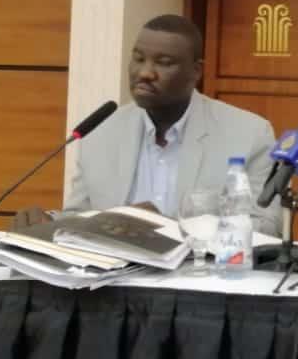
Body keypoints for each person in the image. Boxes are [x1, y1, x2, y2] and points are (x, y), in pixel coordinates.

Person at [15, 15, 280, 235]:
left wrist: (167, 227)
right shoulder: (101, 131)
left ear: (195, 72)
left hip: (199, 275)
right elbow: (82, 216)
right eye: (139, 59)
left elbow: (266, 228)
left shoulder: (249, 134)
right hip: (113, 277)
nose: (145, 73)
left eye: (164, 63)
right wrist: (50, 222)